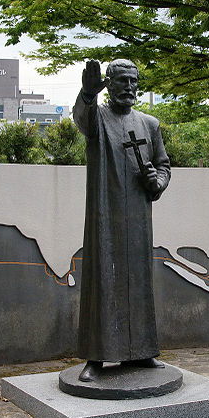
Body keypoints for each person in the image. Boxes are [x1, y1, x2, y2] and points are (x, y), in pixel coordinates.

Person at [72, 59, 171, 382]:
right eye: (122, 81)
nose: (128, 87)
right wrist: (87, 94)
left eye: (133, 81)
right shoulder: (98, 118)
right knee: (104, 281)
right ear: (109, 85)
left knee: (139, 281)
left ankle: (141, 351)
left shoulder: (149, 124)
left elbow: (163, 165)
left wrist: (158, 181)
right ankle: (97, 357)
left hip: (139, 216)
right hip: (106, 212)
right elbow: (82, 118)